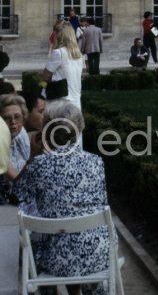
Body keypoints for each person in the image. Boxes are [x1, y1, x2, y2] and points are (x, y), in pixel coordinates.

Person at [13, 100, 115, 295]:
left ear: (46, 131)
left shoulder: (39, 165)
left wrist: (31, 157)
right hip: (97, 254)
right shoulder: (96, 162)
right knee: (80, 238)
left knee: (37, 244)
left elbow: (17, 194)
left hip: (55, 261)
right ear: (79, 130)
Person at [41, 23, 84, 108]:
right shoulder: (78, 54)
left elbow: (46, 76)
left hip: (61, 99)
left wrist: (41, 87)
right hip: (75, 99)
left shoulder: (59, 53)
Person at [0, 93, 30, 204]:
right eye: (6, 118)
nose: (13, 122)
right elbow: (17, 179)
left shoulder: (21, 133)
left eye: (17, 117)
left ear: (23, 118)